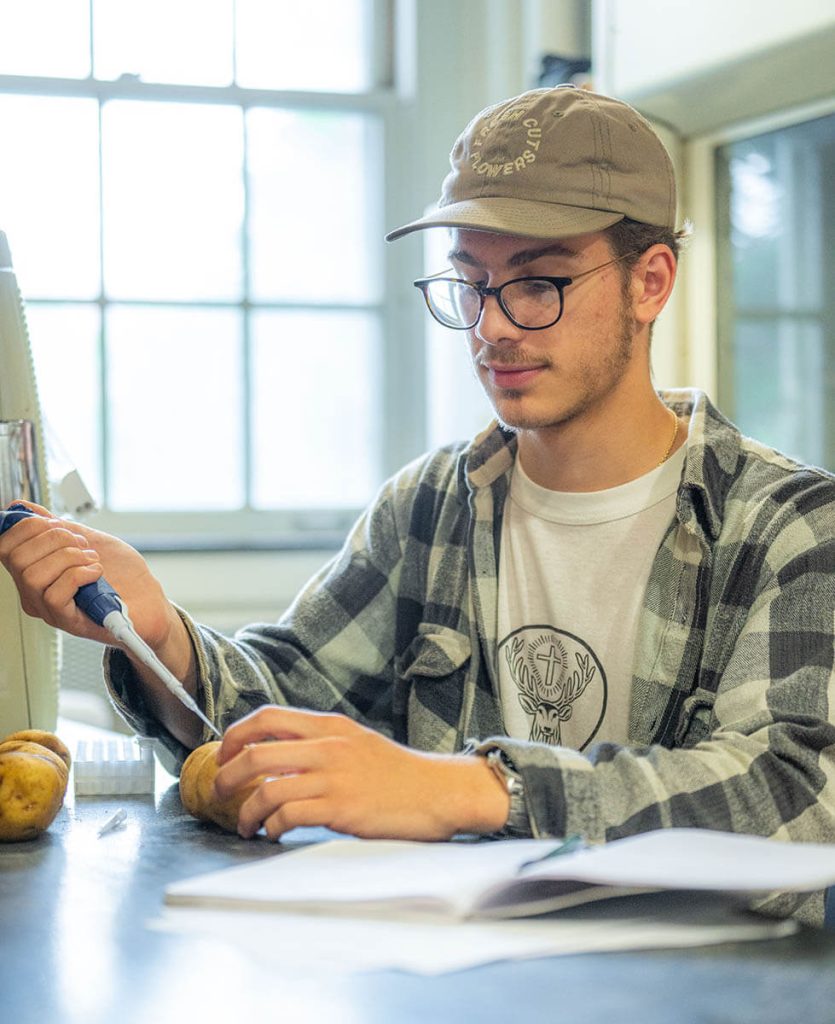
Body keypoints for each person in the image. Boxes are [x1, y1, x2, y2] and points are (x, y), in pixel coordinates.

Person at [2, 86, 833, 923]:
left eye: (536, 284)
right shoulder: (430, 505)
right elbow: (289, 703)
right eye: (469, 285)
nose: (492, 329)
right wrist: (160, 635)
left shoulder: (790, 527)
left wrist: (471, 789)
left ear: (649, 281)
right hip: (452, 982)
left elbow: (793, 797)